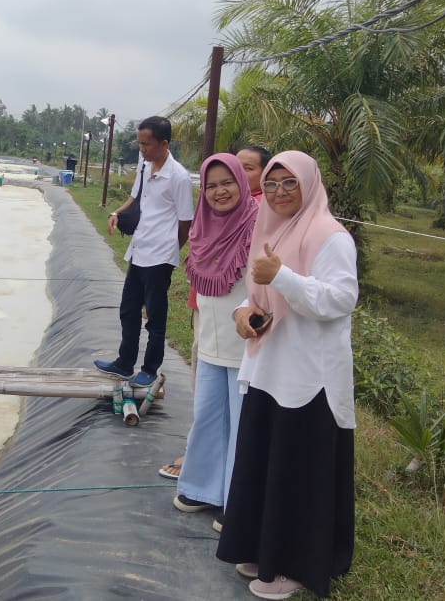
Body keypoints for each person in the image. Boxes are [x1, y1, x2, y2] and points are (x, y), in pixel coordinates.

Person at [216, 151, 358, 600]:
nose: (278, 192)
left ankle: (295, 566)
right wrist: (244, 314)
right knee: (265, 464)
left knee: (297, 471)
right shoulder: (271, 230)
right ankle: (263, 548)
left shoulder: (330, 237)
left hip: (309, 377)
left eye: (289, 183)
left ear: (309, 185)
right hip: (269, 368)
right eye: (272, 184)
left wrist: (283, 278)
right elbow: (250, 291)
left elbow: (339, 300)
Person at [160, 145, 271, 482]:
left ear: (242, 181)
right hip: (209, 340)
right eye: (211, 186)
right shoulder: (202, 228)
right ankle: (201, 487)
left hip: (244, 345)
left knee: (240, 421)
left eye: (228, 183)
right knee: (207, 413)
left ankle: (234, 500)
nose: (220, 192)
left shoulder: (260, 225)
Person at [95, 116, 193, 388]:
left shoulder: (179, 177)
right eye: (139, 143)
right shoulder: (144, 164)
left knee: (155, 317)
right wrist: (117, 212)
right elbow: (135, 197)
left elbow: (186, 221)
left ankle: (150, 368)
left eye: (146, 144)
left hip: (160, 256)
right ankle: (125, 363)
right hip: (138, 250)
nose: (142, 149)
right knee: (128, 310)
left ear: (164, 143)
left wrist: (172, 250)